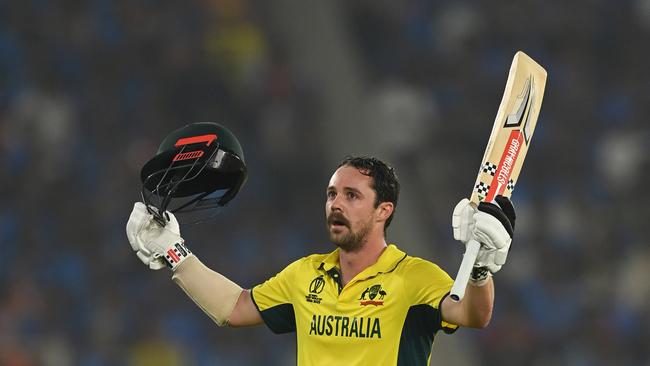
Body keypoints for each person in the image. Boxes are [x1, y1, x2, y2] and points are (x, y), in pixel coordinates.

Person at [126, 156, 515, 365]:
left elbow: (473, 315)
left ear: (384, 211)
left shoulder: (414, 277)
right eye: (332, 194)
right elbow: (233, 307)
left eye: (351, 195)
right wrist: (173, 251)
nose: (336, 204)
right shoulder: (306, 273)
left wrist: (480, 270)